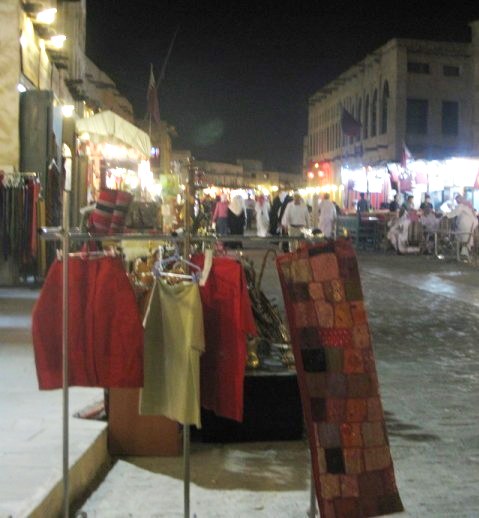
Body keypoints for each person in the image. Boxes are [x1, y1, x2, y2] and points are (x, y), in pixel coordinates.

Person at [444, 194, 478, 258]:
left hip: (466, 225)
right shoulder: (467, 205)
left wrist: (446, 215)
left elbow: (454, 213)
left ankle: (464, 255)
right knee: (465, 238)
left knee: (463, 238)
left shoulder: (461, 206)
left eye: (457, 200)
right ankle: (463, 253)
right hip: (471, 224)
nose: (457, 202)